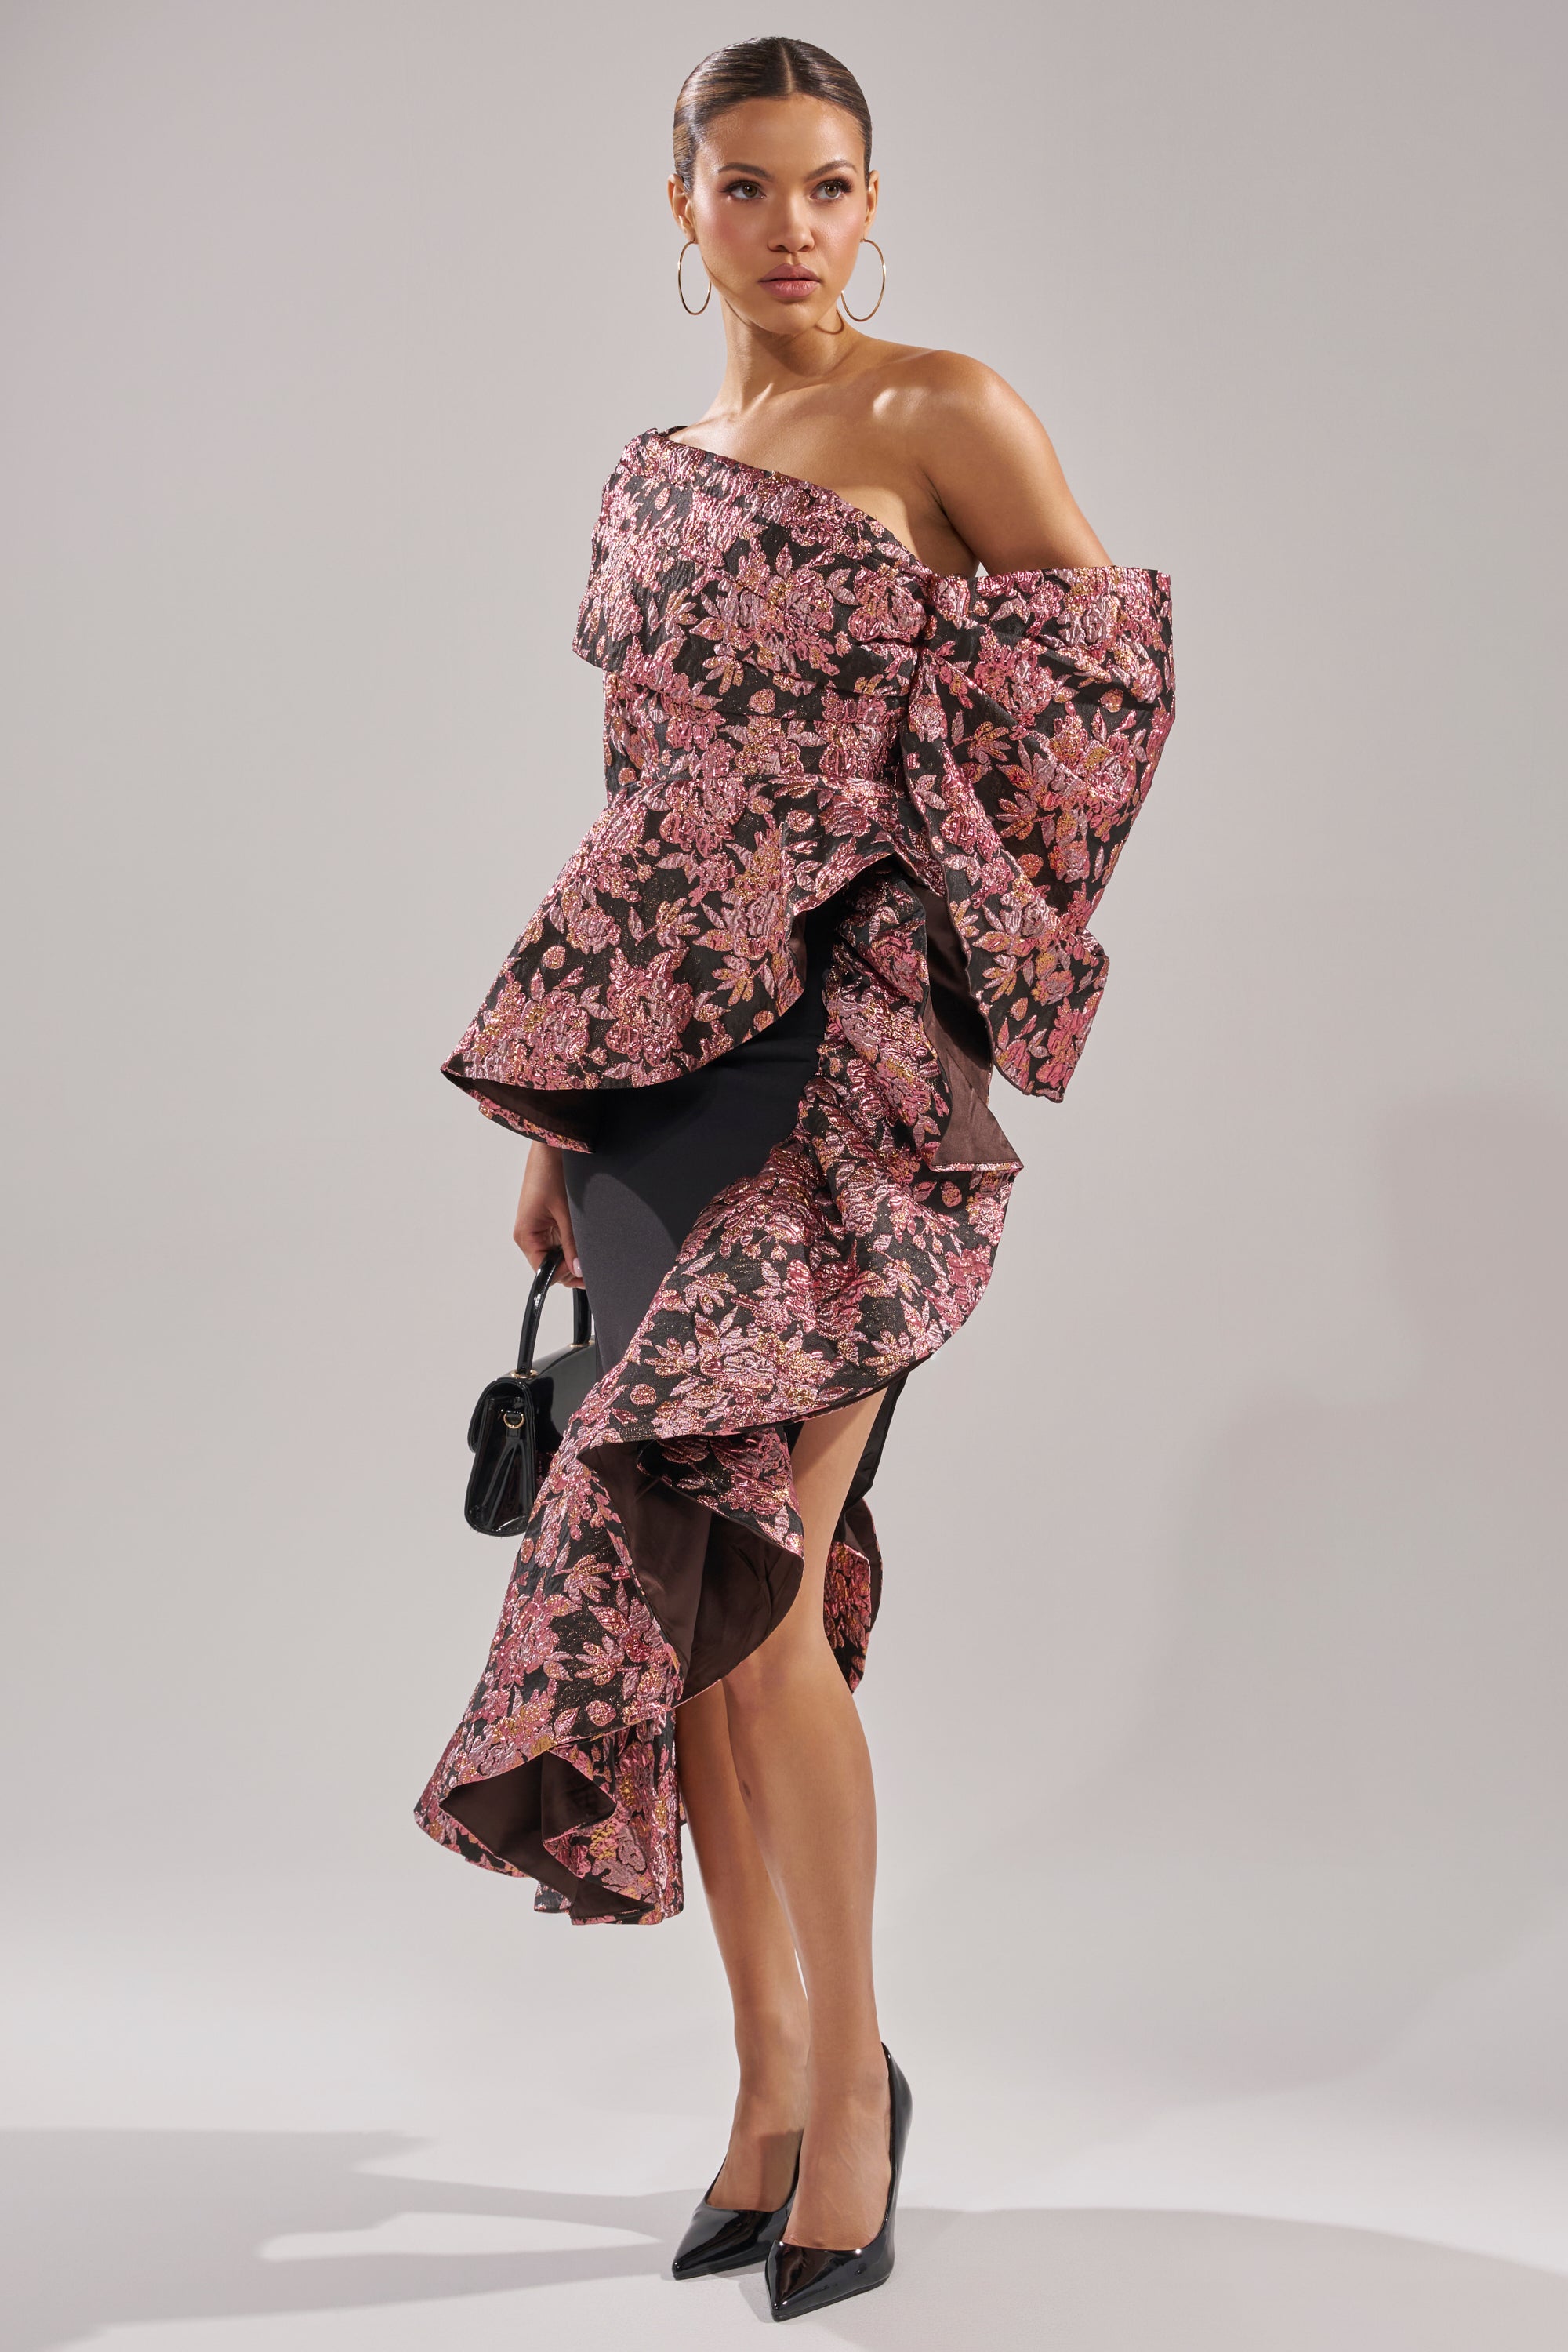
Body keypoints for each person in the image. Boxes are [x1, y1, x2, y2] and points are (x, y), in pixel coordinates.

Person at [415, 35, 1174, 2321]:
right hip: (656, 1094)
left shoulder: (949, 413)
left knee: (776, 1578)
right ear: (684, 211)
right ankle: (760, 2100)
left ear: (875, 201)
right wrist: (559, 1128)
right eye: (745, 189)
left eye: (827, 186)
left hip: (847, 1085)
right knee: (709, 1627)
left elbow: (1105, 694)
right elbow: (640, 804)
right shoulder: (656, 476)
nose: (791, 226)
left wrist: (924, 877)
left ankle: (856, 2100)